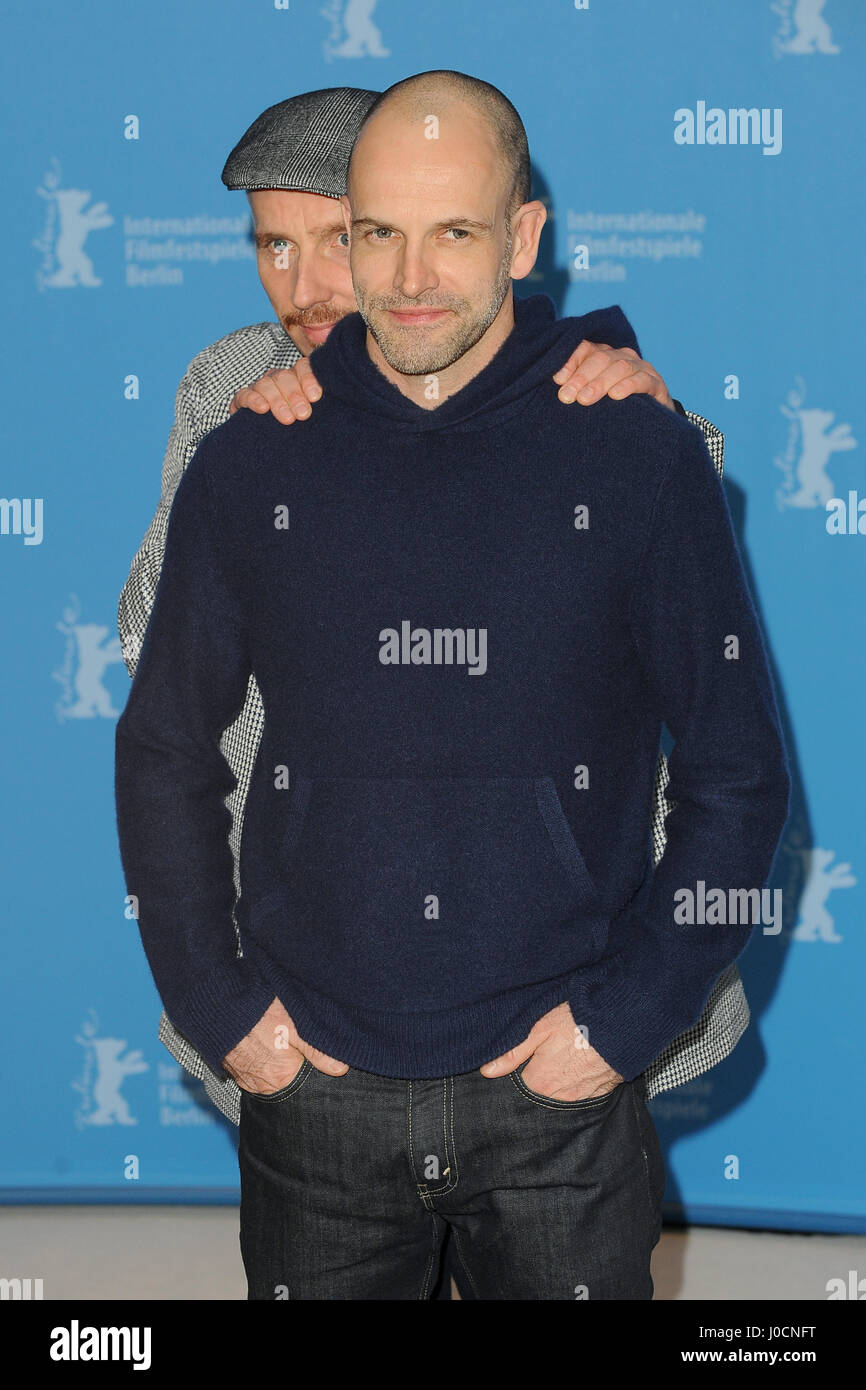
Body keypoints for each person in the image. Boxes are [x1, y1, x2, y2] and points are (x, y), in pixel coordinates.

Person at [115, 69, 790, 1299]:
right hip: (313, 1066)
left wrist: (620, 1025)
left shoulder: (626, 435)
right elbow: (161, 736)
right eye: (368, 236)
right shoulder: (244, 419)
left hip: (555, 1077)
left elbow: (734, 768)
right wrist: (225, 1010)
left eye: (449, 233)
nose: (392, 277)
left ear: (520, 237)